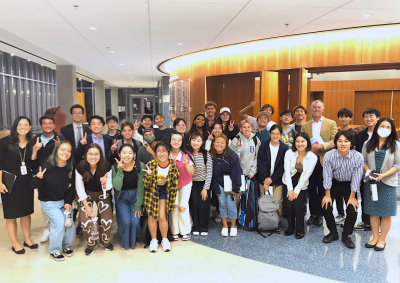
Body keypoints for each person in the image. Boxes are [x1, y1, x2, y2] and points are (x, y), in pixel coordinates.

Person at [31, 141, 76, 261]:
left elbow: (73, 186)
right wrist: (38, 179)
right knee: (59, 223)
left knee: (69, 224)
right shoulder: (45, 167)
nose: (65, 153)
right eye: (62, 150)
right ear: (56, 151)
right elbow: (32, 185)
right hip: (49, 202)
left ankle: (66, 246)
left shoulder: (70, 167)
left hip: (63, 201)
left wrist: (68, 201)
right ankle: (54, 250)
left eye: (68, 150)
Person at [0, 116, 38, 254]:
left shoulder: (32, 142)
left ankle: (27, 239)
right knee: (11, 214)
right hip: (9, 180)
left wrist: (34, 151)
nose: (23, 127)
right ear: (15, 126)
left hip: (26, 180)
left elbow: (33, 164)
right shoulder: (4, 142)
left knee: (26, 212)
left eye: (26, 125)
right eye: (20, 124)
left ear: (29, 128)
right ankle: (15, 243)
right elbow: (0, 164)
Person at [321, 131, 364, 249]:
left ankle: (346, 235)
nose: (343, 144)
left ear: (351, 143)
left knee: (352, 209)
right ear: (336, 143)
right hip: (333, 184)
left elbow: (356, 178)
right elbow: (327, 176)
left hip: (349, 185)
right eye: (340, 141)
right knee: (326, 206)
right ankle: (333, 233)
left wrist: (352, 197)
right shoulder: (329, 155)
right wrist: (327, 195)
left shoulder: (358, 156)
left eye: (346, 141)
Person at [362, 118, 400, 251]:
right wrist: (370, 173)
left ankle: (382, 239)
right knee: (373, 212)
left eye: (388, 127)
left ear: (391, 130)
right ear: (377, 127)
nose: (384, 128)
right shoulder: (368, 143)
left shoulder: (395, 144)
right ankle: (374, 237)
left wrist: (383, 175)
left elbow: (398, 164)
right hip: (372, 182)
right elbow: (364, 161)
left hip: (388, 182)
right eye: (382, 126)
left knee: (385, 212)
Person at [301, 100, 337, 226]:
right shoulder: (306, 125)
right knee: (311, 188)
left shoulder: (331, 123)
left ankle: (321, 215)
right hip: (310, 159)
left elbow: (335, 141)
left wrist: (322, 146)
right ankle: (313, 214)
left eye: (319, 107)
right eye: (314, 107)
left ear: (323, 109)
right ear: (311, 109)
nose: (316, 109)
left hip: (324, 159)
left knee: (322, 188)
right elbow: (302, 140)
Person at [75, 144, 113, 255]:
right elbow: (79, 187)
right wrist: (86, 206)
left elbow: (109, 186)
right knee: (86, 221)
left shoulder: (106, 166)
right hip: (87, 196)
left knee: (107, 221)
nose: (93, 156)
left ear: (100, 155)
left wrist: (104, 184)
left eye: (96, 154)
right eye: (90, 154)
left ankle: (105, 242)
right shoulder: (80, 167)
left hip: (103, 195)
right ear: (85, 155)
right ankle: (91, 244)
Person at [143, 142, 179, 252]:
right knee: (152, 216)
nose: (161, 154)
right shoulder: (151, 164)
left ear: (168, 153)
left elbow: (174, 186)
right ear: (156, 153)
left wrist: (173, 201)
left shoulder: (173, 166)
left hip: (165, 191)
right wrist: (149, 176)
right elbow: (146, 184)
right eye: (159, 151)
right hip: (152, 191)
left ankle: (164, 239)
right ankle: (153, 240)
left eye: (164, 151)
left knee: (162, 215)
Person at [35, 115, 66, 243]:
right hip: (41, 175)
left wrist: (59, 146)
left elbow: (66, 153)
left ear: (54, 125)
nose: (47, 126)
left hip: (57, 174)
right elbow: (31, 159)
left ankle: (59, 226)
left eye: (50, 123)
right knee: (45, 202)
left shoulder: (60, 138)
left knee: (59, 201)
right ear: (41, 126)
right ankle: (47, 228)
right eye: (44, 124)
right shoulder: (35, 139)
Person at [282, 132, 317, 239]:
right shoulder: (289, 153)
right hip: (288, 181)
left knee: (298, 206)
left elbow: (306, 175)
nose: (300, 144)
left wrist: (296, 191)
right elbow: (287, 171)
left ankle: (300, 230)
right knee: (288, 205)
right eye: (297, 141)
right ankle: (290, 228)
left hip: (302, 183)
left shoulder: (312, 157)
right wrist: (290, 189)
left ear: (307, 143)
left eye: (303, 141)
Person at [112, 144, 144, 250]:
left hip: (136, 195)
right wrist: (120, 170)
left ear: (134, 154)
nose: (127, 155)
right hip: (122, 197)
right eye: (124, 153)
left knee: (135, 221)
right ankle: (125, 241)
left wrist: (139, 204)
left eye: (130, 153)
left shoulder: (140, 166)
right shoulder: (114, 167)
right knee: (126, 221)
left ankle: (135, 238)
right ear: (119, 154)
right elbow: (117, 186)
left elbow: (141, 187)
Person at [354, 107, 380, 231]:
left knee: (379, 196)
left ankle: (379, 222)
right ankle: (366, 222)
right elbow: (359, 154)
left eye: (371, 116)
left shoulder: (383, 134)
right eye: (366, 116)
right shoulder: (360, 135)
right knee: (365, 195)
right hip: (364, 170)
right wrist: (365, 170)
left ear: (377, 118)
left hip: (381, 171)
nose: (368, 119)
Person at [210, 134, 242, 237]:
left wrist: (236, 187)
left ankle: (233, 226)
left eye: (222, 142)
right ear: (214, 143)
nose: (219, 144)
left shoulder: (232, 156)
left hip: (231, 185)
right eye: (217, 142)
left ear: (226, 144)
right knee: (222, 204)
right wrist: (216, 188)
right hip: (219, 183)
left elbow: (236, 172)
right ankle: (224, 226)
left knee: (231, 205)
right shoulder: (212, 155)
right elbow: (212, 174)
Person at [257, 124, 289, 216]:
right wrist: (266, 181)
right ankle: (264, 222)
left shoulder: (284, 148)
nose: (275, 136)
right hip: (264, 179)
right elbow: (261, 164)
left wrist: (272, 179)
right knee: (264, 202)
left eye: (277, 133)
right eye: (273, 133)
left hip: (277, 180)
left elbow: (282, 167)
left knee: (277, 201)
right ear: (269, 134)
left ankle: (276, 222)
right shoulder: (263, 146)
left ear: (281, 135)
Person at [168, 132, 194, 241]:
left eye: (179, 140)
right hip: (171, 185)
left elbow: (191, 172)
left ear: (182, 142)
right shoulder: (166, 154)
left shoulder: (187, 154)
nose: (176, 142)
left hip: (185, 183)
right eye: (174, 139)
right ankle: (174, 231)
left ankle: (185, 230)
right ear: (170, 141)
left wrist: (186, 164)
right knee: (174, 207)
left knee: (182, 207)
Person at [333, 108, 357, 225]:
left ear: (350, 118)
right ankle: (340, 213)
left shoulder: (354, 132)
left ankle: (349, 215)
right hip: (337, 165)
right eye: (341, 116)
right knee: (337, 193)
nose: (343, 119)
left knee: (349, 193)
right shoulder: (336, 132)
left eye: (346, 116)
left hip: (350, 166)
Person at [188, 132, 213, 236]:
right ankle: (196, 226)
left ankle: (203, 226)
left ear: (202, 142)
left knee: (203, 205)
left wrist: (205, 188)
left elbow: (209, 171)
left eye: (198, 140)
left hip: (203, 184)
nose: (196, 143)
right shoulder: (187, 154)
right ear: (190, 140)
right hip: (191, 184)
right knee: (194, 205)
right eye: (194, 140)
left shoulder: (206, 154)